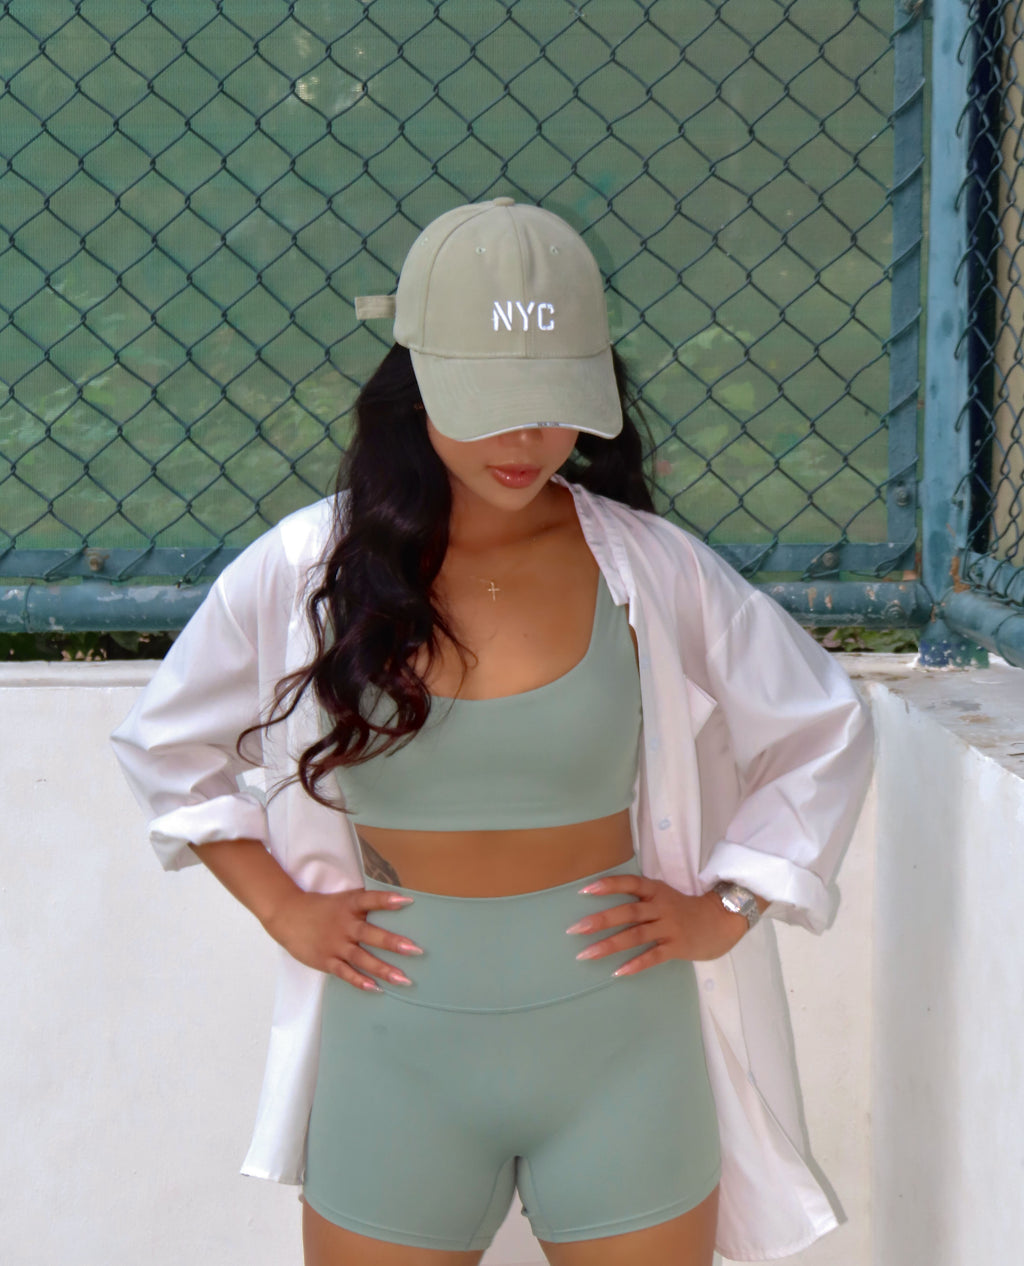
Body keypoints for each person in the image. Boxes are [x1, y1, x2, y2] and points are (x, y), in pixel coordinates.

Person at [111, 198, 873, 1266]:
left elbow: (822, 726)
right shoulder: (304, 568)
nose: (527, 440)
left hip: (623, 1049)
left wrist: (730, 907)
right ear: (414, 384)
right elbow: (167, 742)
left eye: (554, 404)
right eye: (492, 403)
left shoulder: (648, 567)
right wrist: (282, 906)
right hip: (397, 1050)